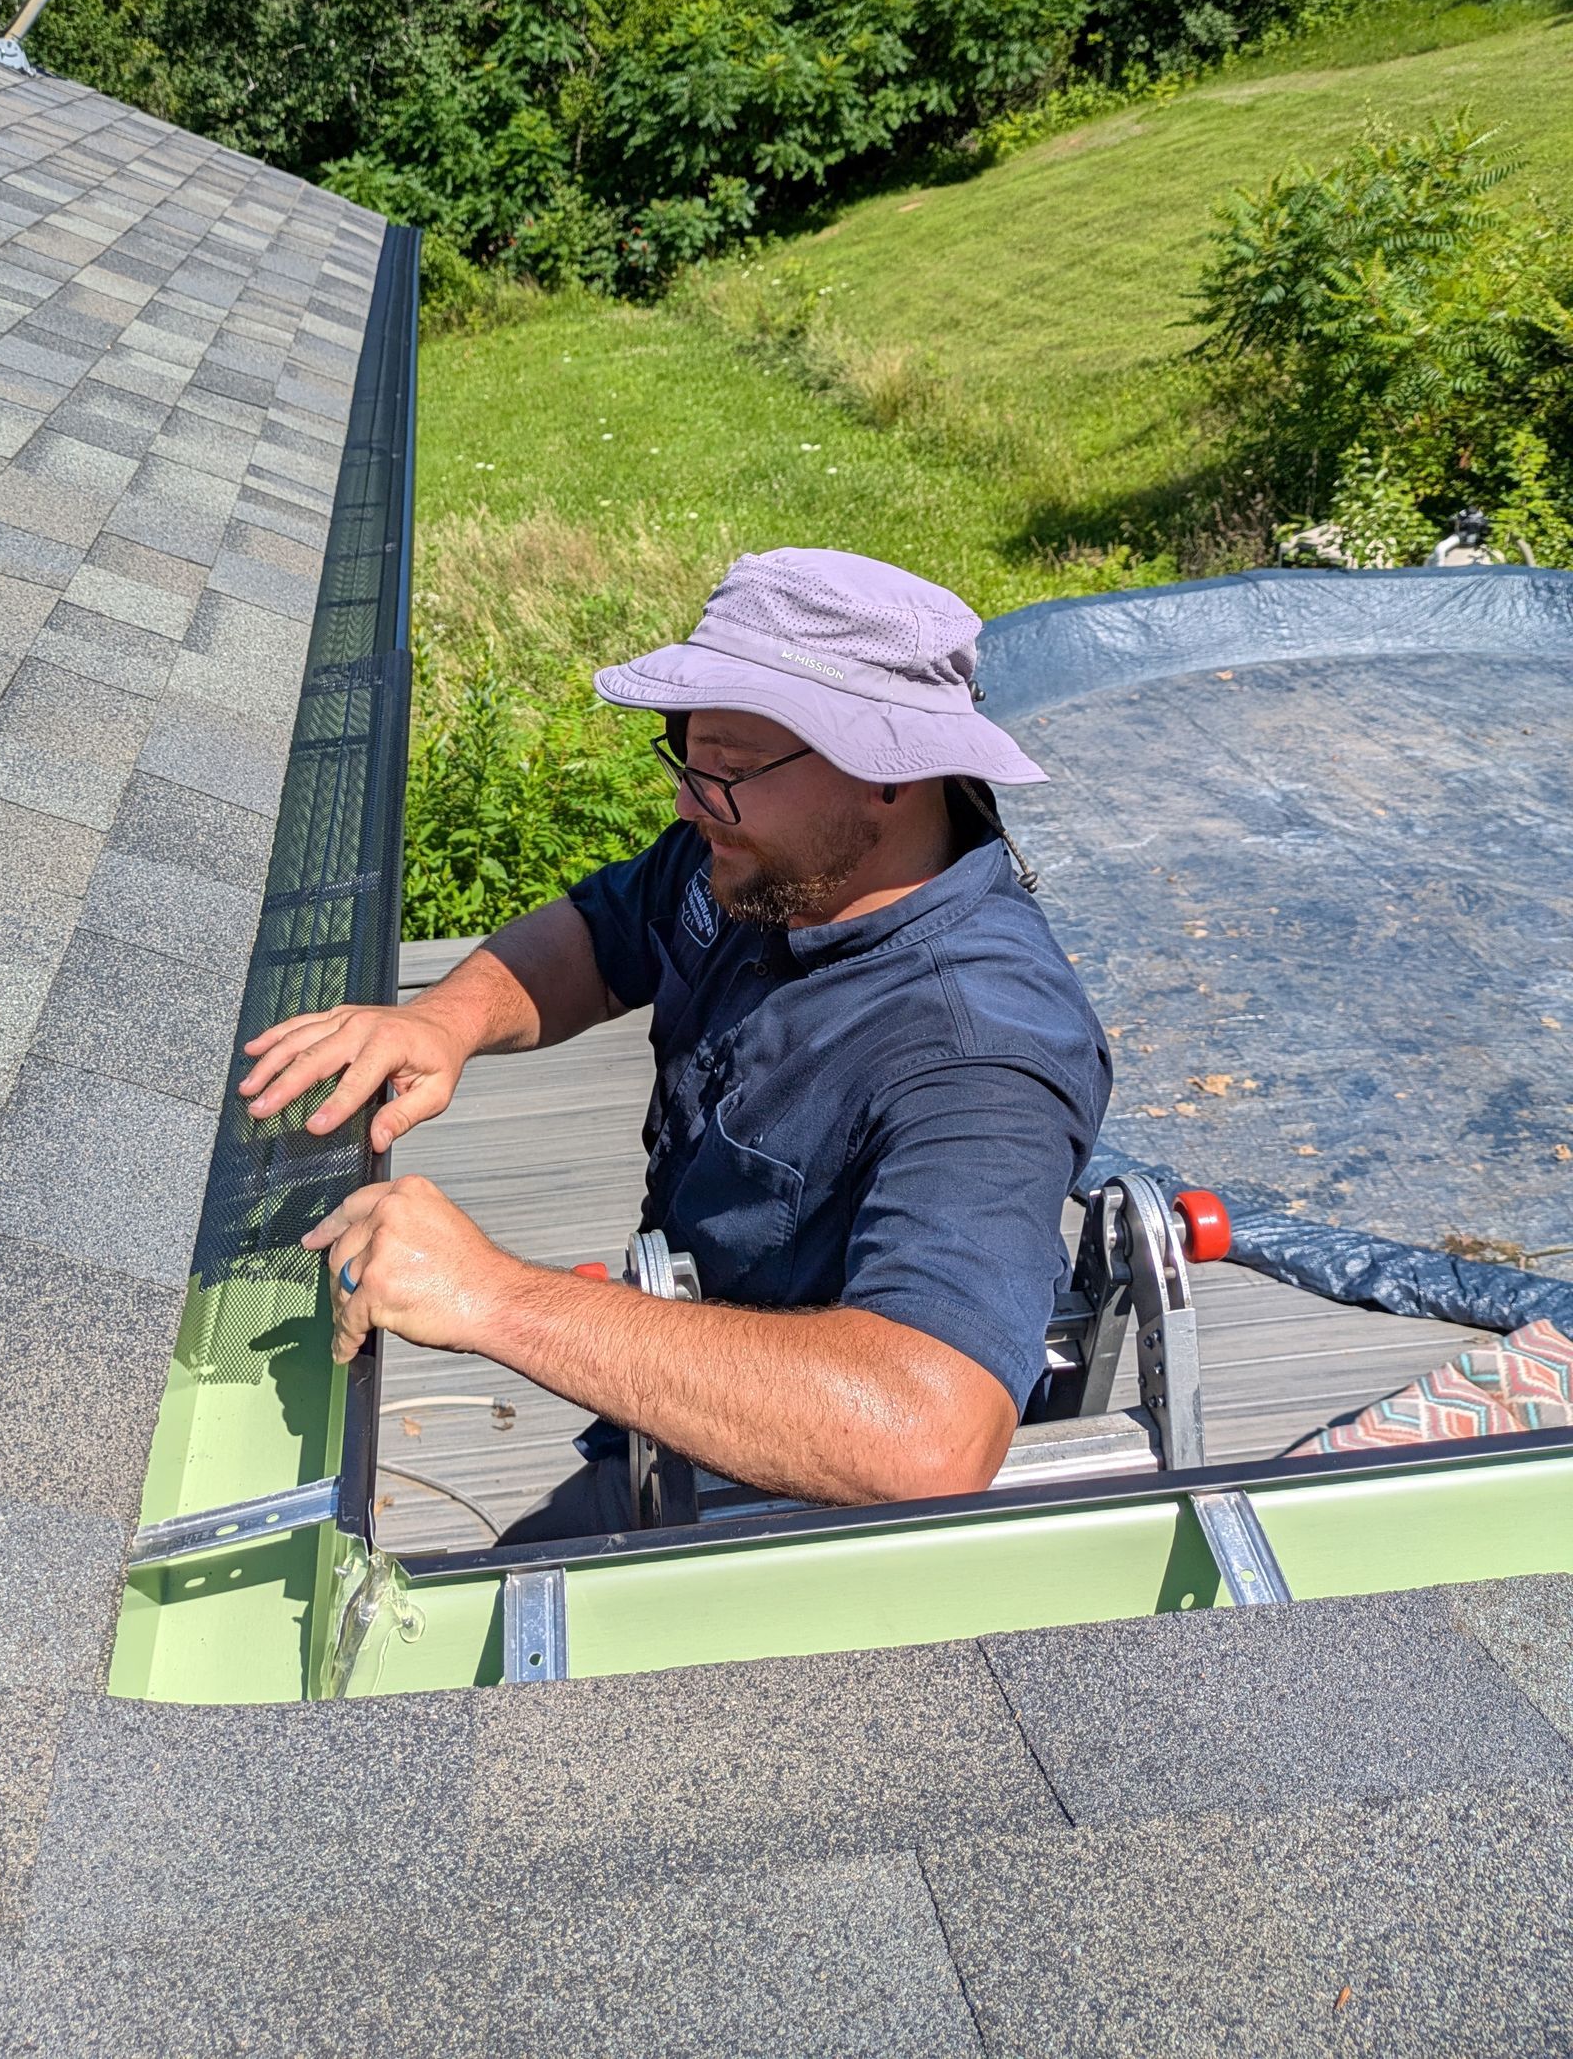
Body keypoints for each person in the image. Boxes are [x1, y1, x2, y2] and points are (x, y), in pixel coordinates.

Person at [239, 547, 1111, 1538]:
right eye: (690, 761)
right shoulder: (769, 862)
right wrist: (444, 1020)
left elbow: (928, 1436)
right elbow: (608, 934)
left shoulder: (978, 1052)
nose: (691, 806)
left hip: (797, 1513)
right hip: (670, 1434)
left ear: (891, 775)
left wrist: (495, 1297)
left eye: (729, 773)